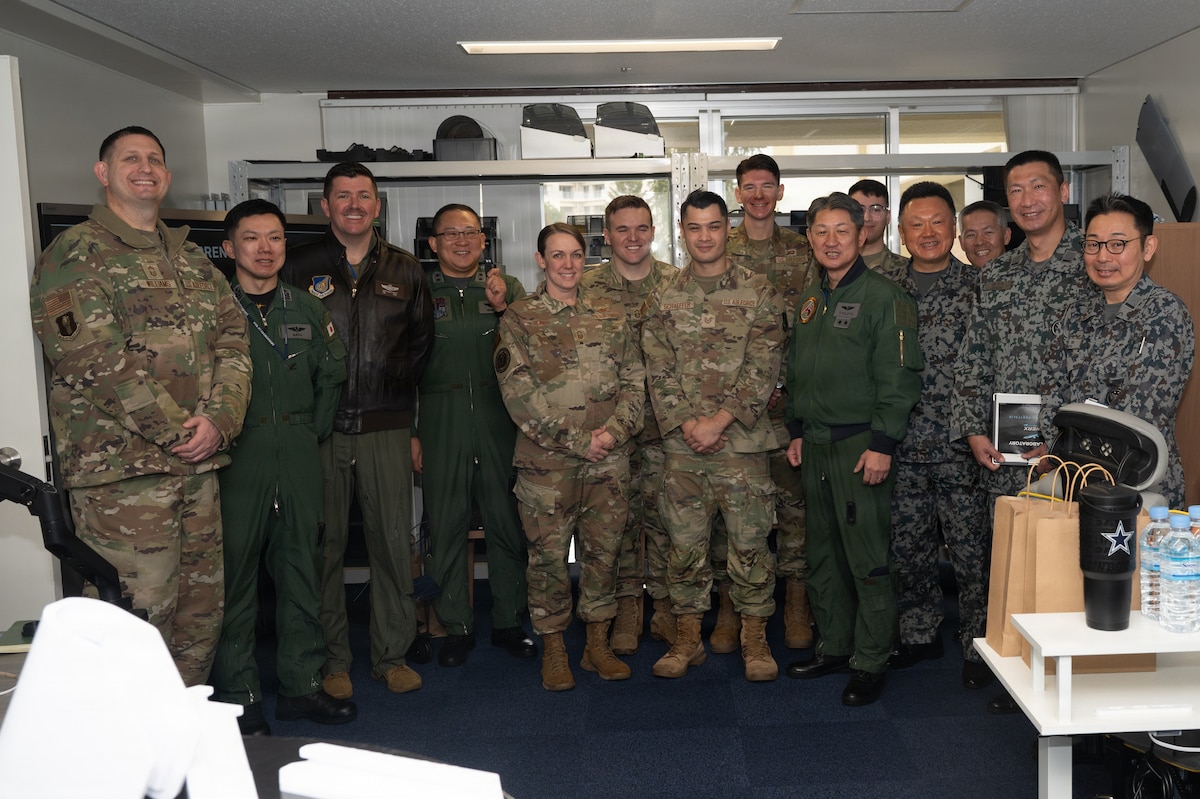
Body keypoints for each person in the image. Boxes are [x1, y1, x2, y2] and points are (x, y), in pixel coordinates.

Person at [29, 126, 252, 686]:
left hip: (198, 469)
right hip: (123, 475)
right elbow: (88, 357)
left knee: (199, 617)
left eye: (154, 159)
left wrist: (219, 421)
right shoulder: (77, 252)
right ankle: (122, 738)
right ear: (103, 172)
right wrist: (179, 431)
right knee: (133, 619)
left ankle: (181, 729)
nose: (145, 168)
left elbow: (234, 343)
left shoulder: (192, 259)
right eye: (131, 158)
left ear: (167, 175)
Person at [283, 162, 435, 698]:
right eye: (343, 195)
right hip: (320, 429)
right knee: (322, 546)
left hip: (384, 426)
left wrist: (401, 412)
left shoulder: (406, 269)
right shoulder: (297, 265)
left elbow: (420, 348)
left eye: (363, 195)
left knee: (391, 543)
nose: (354, 204)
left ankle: (391, 655)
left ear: (377, 205)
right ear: (325, 206)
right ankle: (333, 660)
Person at [950, 149, 1094, 714]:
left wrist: (1061, 441)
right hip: (1004, 454)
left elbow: (1099, 364)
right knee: (1009, 560)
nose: (1028, 200)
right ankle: (1013, 666)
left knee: (1065, 566)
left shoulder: (1094, 263)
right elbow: (973, 359)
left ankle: (1063, 676)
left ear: (1062, 192)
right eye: (1016, 190)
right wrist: (971, 431)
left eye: (1038, 187)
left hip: (1073, 457)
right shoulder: (998, 274)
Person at [209, 200, 354, 734]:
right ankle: (238, 694)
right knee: (235, 579)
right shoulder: (212, 311)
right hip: (237, 454)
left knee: (301, 572)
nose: (265, 249)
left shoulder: (308, 309)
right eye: (251, 238)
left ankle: (301, 685)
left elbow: (331, 377)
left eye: (274, 238)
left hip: (297, 451)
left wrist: (305, 434)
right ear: (230, 248)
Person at [784, 192, 922, 707]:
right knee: (822, 554)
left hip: (861, 446)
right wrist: (796, 429)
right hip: (815, 444)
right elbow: (799, 369)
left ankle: (870, 659)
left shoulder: (886, 297)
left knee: (866, 556)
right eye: (821, 231)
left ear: (862, 234)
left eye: (842, 230)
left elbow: (899, 377)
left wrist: (883, 443)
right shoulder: (811, 298)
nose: (831, 241)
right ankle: (836, 645)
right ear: (809, 238)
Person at [641, 190, 785, 683]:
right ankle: (687, 640)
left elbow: (764, 366)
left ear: (728, 228)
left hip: (741, 446)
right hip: (683, 450)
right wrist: (689, 425)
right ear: (682, 232)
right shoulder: (664, 296)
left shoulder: (759, 291)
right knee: (684, 550)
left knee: (750, 548)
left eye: (714, 226)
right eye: (695, 227)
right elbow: (658, 369)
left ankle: (755, 641)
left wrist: (718, 422)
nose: (705, 237)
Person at [495, 222, 645, 691]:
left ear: (586, 259)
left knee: (604, 555)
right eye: (557, 255)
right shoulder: (520, 318)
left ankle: (596, 645)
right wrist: (581, 441)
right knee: (548, 562)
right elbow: (519, 395)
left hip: (609, 462)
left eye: (575, 255)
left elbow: (635, 379)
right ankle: (555, 650)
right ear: (541, 261)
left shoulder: (610, 313)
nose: (567, 264)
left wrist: (614, 433)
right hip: (548, 466)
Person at [877, 183, 992, 691]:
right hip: (900, 443)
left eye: (938, 221)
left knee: (971, 552)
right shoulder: (881, 288)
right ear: (901, 233)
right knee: (908, 547)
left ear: (954, 229)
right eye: (916, 224)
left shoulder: (981, 287)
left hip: (960, 446)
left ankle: (978, 642)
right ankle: (919, 632)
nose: (928, 232)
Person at [415, 203, 537, 668]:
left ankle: (508, 621)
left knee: (507, 523)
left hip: (499, 417)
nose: (461, 241)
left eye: (469, 233)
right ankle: (456, 626)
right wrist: (410, 433)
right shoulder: (419, 293)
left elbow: (534, 349)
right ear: (434, 244)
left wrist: (504, 307)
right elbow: (400, 368)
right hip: (440, 419)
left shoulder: (509, 288)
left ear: (484, 241)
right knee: (446, 525)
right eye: (450, 234)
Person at [723, 154, 820, 651]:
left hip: (787, 405)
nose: (758, 195)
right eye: (750, 187)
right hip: (735, 408)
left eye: (767, 186)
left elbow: (812, 327)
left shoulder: (804, 251)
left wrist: (790, 385)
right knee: (735, 511)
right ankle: (731, 606)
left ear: (780, 192)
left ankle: (796, 603)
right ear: (737, 193)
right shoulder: (720, 248)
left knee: (794, 507)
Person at [1041, 193, 1194, 509]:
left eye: (1117, 244)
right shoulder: (1074, 314)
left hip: (1138, 484)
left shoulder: (1163, 312)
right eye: (1093, 244)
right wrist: (1060, 449)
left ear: (1147, 247)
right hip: (1074, 478)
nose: (1102, 256)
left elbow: (1143, 408)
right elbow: (1050, 390)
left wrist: (1077, 447)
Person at [580, 195, 677, 655]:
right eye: (622, 229)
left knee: (666, 523)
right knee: (614, 526)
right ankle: (625, 611)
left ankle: (665, 610)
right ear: (606, 235)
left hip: (664, 427)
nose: (633, 238)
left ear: (654, 232)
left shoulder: (676, 283)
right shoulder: (586, 286)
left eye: (641, 228)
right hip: (609, 429)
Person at [848, 179, 907, 273]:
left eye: (876, 210)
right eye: (860, 210)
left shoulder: (906, 270)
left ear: (888, 216)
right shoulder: (830, 267)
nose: (867, 218)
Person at [958, 200, 1012, 269]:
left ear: (1006, 236)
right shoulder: (958, 275)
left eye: (988, 232)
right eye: (971, 235)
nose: (979, 242)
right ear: (961, 243)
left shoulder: (1024, 274)